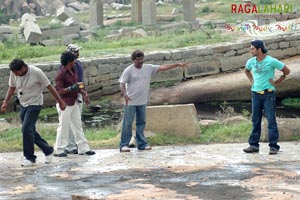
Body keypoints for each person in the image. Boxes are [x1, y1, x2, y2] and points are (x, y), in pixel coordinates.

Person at [118, 50, 188, 152]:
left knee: (141, 122)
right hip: (131, 101)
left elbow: (162, 67)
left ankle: (142, 144)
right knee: (128, 123)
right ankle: (124, 144)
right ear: (133, 60)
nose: (140, 61)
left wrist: (177, 65)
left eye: (142, 59)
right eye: (138, 60)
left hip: (142, 101)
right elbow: (122, 83)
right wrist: (125, 95)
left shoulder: (148, 68)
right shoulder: (128, 70)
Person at [1, 59, 66, 166]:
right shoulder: (14, 73)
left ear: (23, 68)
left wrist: (60, 101)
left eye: (17, 73)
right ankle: (48, 150)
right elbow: (12, 87)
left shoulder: (37, 72)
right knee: (30, 131)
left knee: (26, 129)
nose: (15, 75)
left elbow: (50, 87)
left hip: (35, 103)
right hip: (23, 103)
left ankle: (30, 158)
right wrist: (5, 102)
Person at [243, 40, 290, 155]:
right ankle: (253, 145)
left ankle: (273, 146)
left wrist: (278, 81)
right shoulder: (251, 61)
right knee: (255, 120)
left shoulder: (271, 61)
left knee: (271, 120)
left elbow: (287, 71)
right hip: (255, 94)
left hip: (268, 94)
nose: (251, 51)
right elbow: (246, 71)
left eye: (253, 49)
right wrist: (252, 81)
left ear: (259, 49)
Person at [54, 51, 95, 157]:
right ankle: (59, 149)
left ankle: (83, 148)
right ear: (68, 62)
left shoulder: (73, 71)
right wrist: (71, 88)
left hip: (74, 101)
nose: (74, 63)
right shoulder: (61, 75)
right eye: (73, 61)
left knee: (77, 125)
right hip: (65, 103)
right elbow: (59, 91)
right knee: (64, 126)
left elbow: (78, 85)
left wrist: (83, 92)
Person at [63, 44, 88, 155]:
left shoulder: (78, 64)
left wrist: (83, 92)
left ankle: (75, 145)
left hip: (77, 94)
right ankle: (70, 145)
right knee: (69, 122)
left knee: (75, 122)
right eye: (76, 51)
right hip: (71, 96)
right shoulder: (68, 66)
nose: (78, 53)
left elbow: (80, 81)